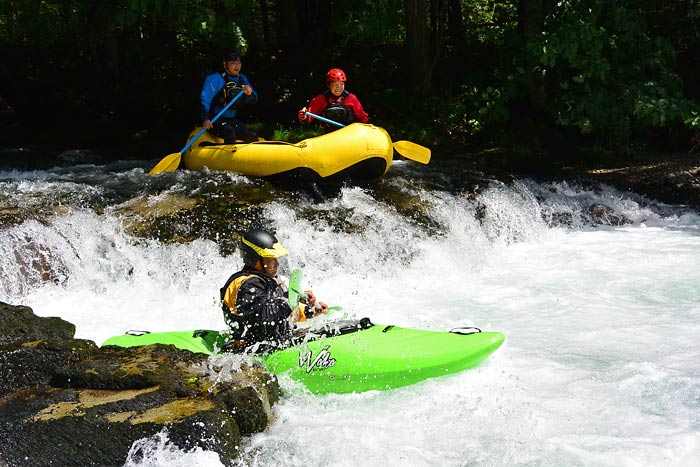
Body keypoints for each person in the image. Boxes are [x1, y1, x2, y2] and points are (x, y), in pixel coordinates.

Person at [219, 229, 328, 352]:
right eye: (271, 259)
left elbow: (281, 314)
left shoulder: (268, 280)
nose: (277, 264)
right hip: (253, 350)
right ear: (255, 260)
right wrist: (292, 299)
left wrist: (309, 311)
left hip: (274, 343)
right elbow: (263, 315)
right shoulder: (245, 285)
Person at [200, 51, 258, 143]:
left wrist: (249, 94)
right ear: (225, 64)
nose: (236, 66)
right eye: (232, 63)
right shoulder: (216, 78)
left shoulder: (241, 79)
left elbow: (253, 99)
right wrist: (205, 119)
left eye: (238, 63)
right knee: (229, 132)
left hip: (232, 119)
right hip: (215, 119)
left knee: (252, 136)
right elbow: (205, 98)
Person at [298, 68, 369, 128]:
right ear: (329, 85)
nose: (338, 87)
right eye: (335, 84)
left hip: (349, 133)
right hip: (331, 135)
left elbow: (362, 117)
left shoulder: (351, 98)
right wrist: (304, 117)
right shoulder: (321, 99)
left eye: (341, 84)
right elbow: (310, 114)